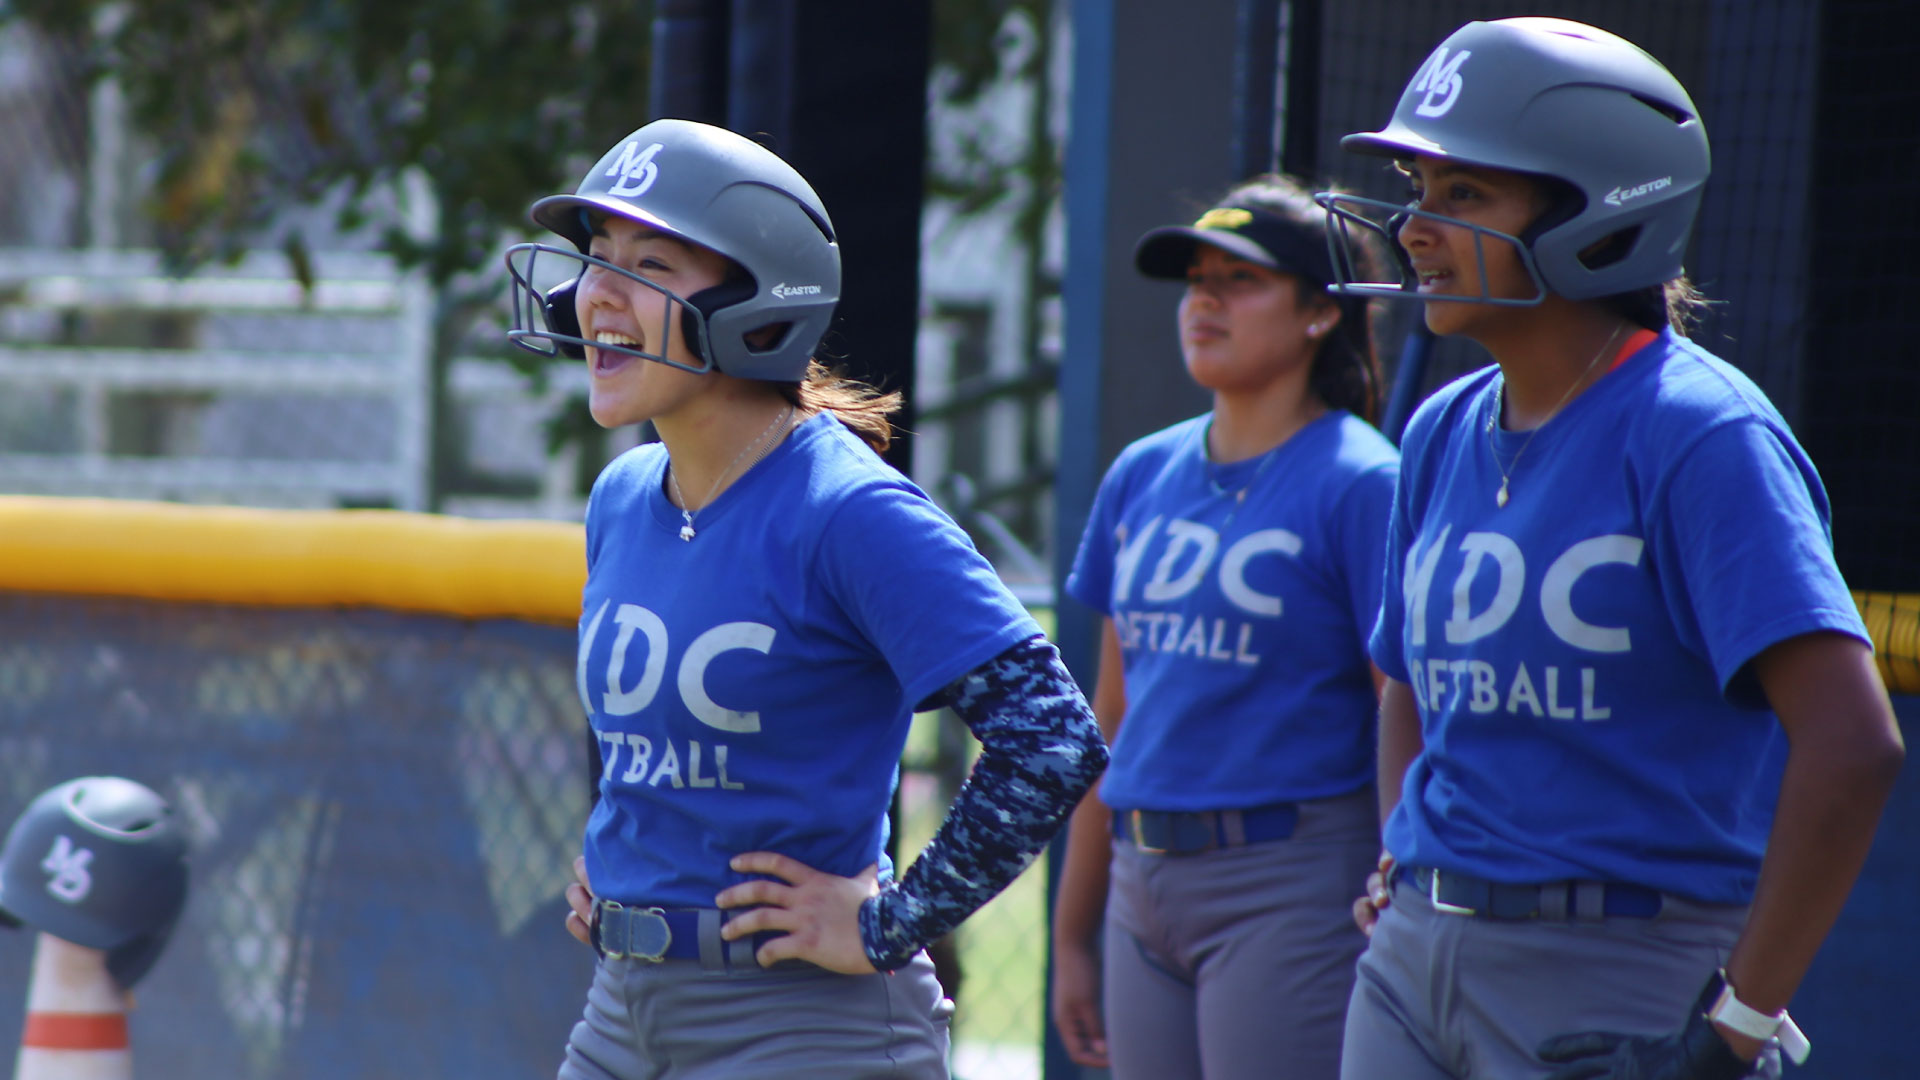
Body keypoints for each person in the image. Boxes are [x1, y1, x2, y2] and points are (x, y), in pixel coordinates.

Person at [1317, 17, 1905, 1080]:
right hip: (1408, 964)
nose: (1413, 227)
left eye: (1463, 195)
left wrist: (1735, 1030)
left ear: (1597, 215)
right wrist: (1404, 853)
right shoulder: (1442, 428)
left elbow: (1855, 746)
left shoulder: (1702, 431)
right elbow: (1401, 676)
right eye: (1417, 188)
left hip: (1622, 966)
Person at [504, 117, 1108, 1080]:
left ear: (758, 306)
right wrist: (619, 871)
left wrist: (892, 920)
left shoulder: (846, 508)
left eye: (648, 262)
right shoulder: (623, 496)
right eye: (597, 256)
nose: (593, 293)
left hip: (804, 1028)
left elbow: (1054, 735)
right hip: (622, 1010)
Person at [1048, 174, 1399, 1080]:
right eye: (1195, 278)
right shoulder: (1141, 471)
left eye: (1239, 281)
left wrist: (1401, 899)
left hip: (1292, 880)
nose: (1203, 299)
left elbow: (1403, 714)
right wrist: (1073, 930)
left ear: (1322, 312)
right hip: (1141, 884)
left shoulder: (1363, 480)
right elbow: (1111, 718)